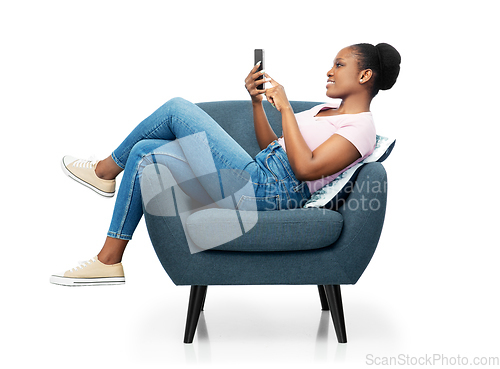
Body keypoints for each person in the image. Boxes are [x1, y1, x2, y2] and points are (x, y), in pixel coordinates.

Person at [50, 43, 401, 286]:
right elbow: (273, 146)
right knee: (145, 152)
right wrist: (256, 102)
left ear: (365, 76)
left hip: (274, 192)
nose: (329, 70)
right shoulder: (325, 112)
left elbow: (307, 169)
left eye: (339, 65)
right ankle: (109, 259)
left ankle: (104, 171)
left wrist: (285, 109)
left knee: (176, 107)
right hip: (261, 174)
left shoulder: (361, 127)